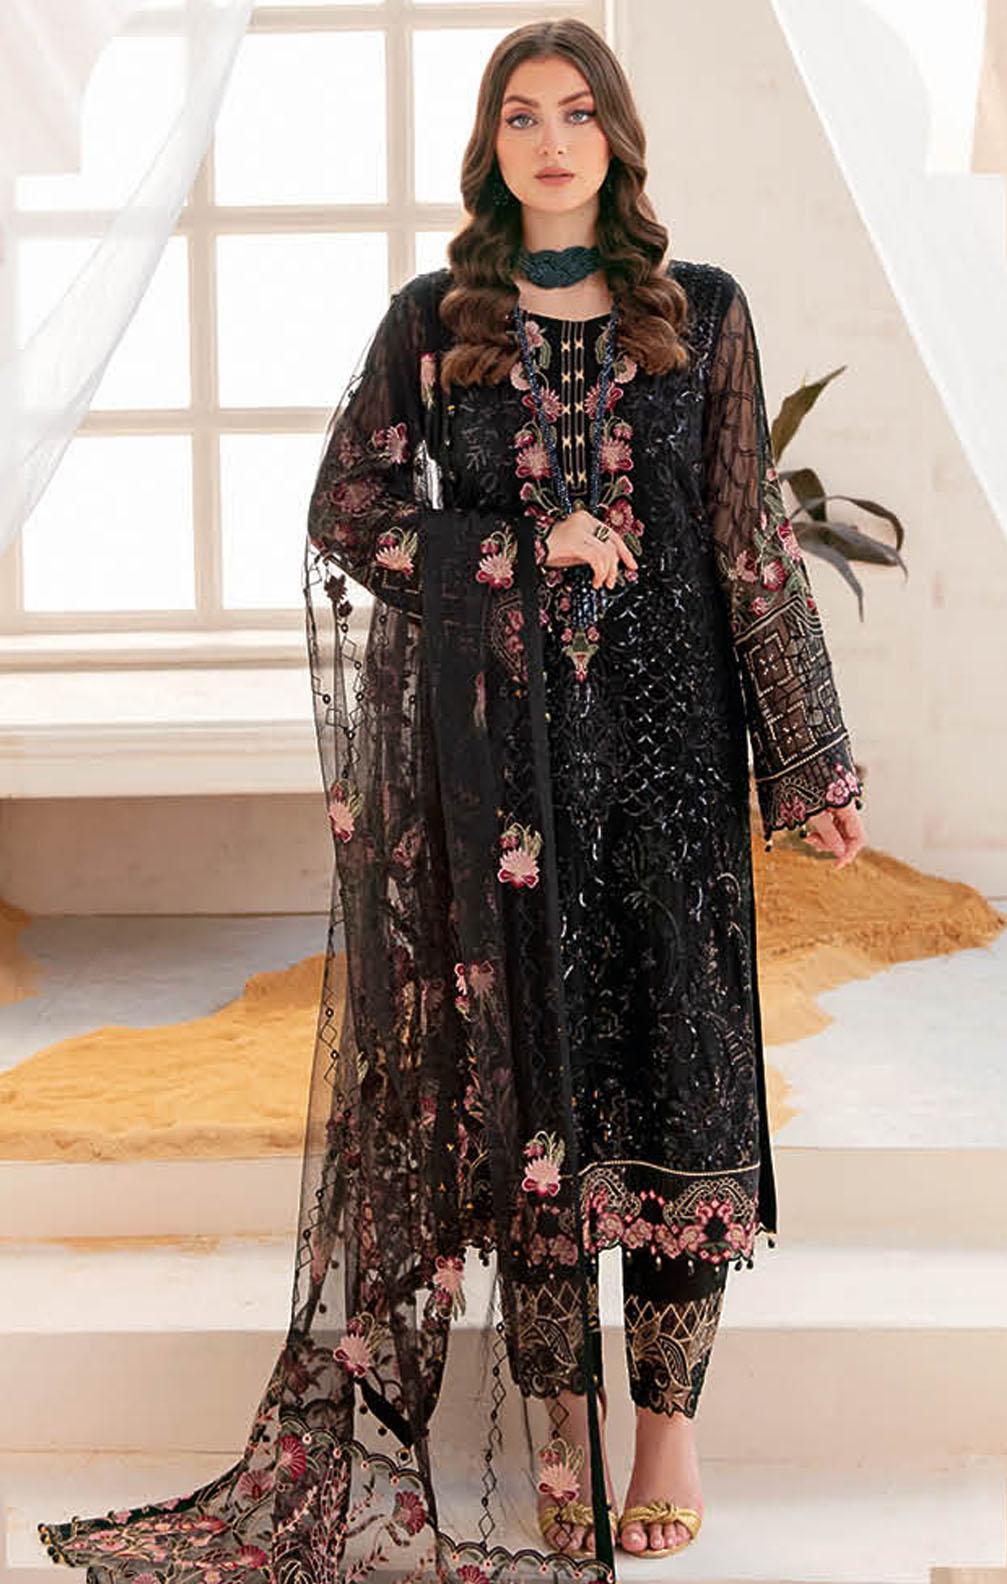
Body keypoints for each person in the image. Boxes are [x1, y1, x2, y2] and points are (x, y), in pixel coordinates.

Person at [37, 17, 864, 1584]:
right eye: (519, 117)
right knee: (534, 1096)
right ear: (489, 147)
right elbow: (346, 509)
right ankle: (561, 1432)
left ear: (617, 138)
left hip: (673, 761)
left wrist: (808, 754)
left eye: (576, 113)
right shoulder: (434, 323)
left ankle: (668, 1435)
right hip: (504, 773)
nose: (550, 142)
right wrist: (516, 546)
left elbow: (746, 536)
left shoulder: (701, 313)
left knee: (676, 1078)